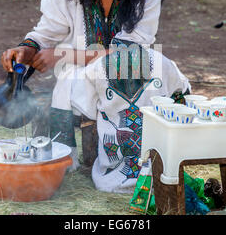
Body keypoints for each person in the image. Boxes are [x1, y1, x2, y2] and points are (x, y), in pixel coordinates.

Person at [0, 0, 176, 170]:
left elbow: (128, 54)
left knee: (154, 64)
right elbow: (45, 33)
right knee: (74, 82)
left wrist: (62, 54)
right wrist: (27, 49)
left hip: (127, 76)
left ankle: (130, 164)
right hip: (80, 78)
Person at [71, 38, 191, 193]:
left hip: (110, 182)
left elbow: (83, 112)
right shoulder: (163, 63)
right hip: (161, 178)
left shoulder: (95, 69)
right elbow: (182, 95)